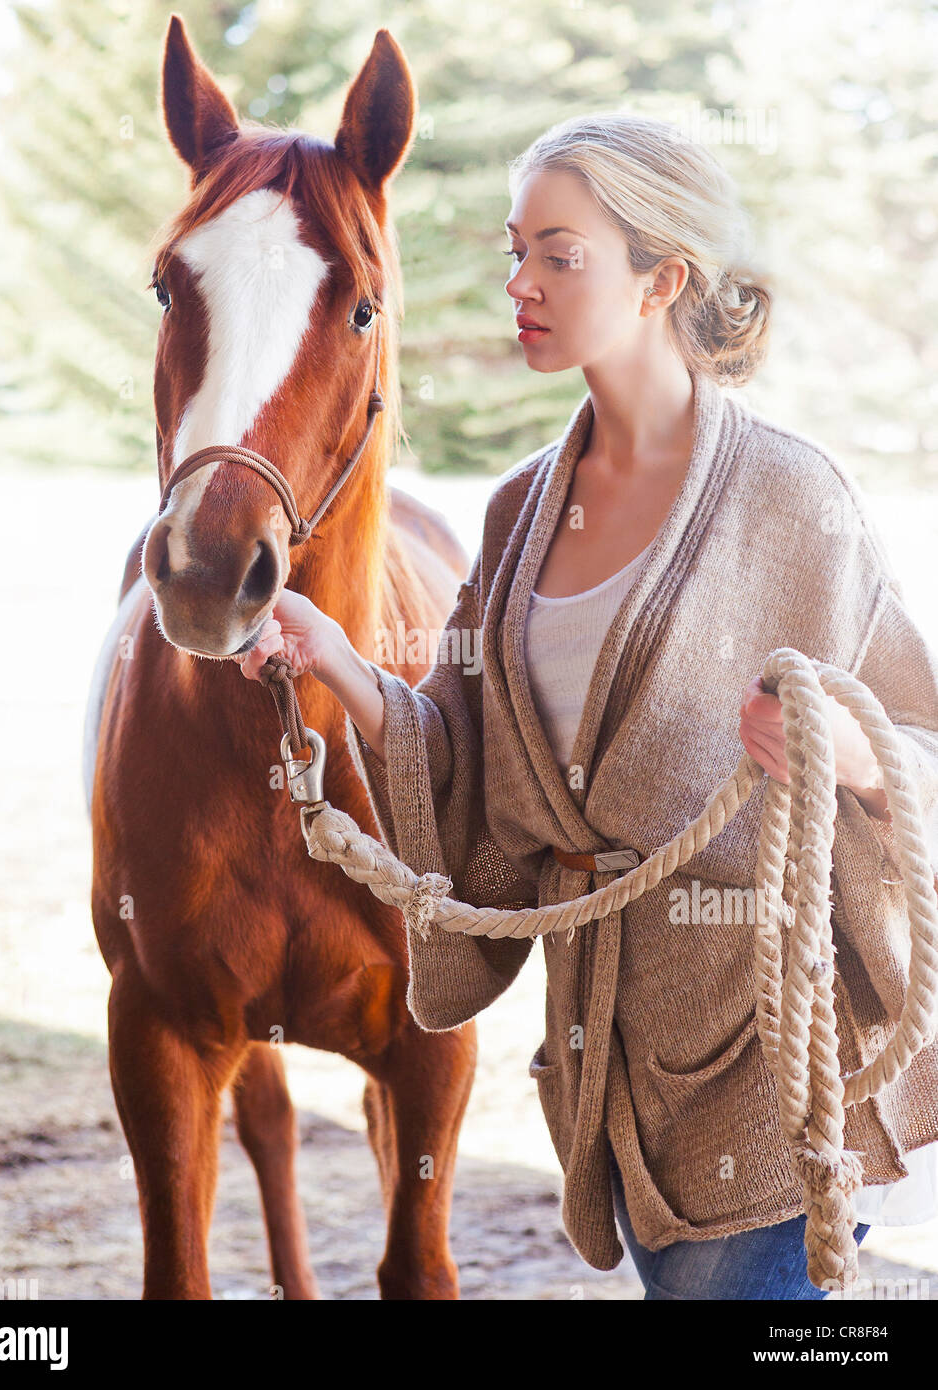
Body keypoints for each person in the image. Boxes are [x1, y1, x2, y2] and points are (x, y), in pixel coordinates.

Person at [237, 113, 938, 1299]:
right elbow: (463, 754)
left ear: (663, 278)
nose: (519, 283)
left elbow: (918, 736)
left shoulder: (789, 498)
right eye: (516, 251)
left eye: (559, 255)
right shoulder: (518, 512)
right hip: (606, 1052)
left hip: (761, 1059)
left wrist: (855, 759)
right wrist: (342, 670)